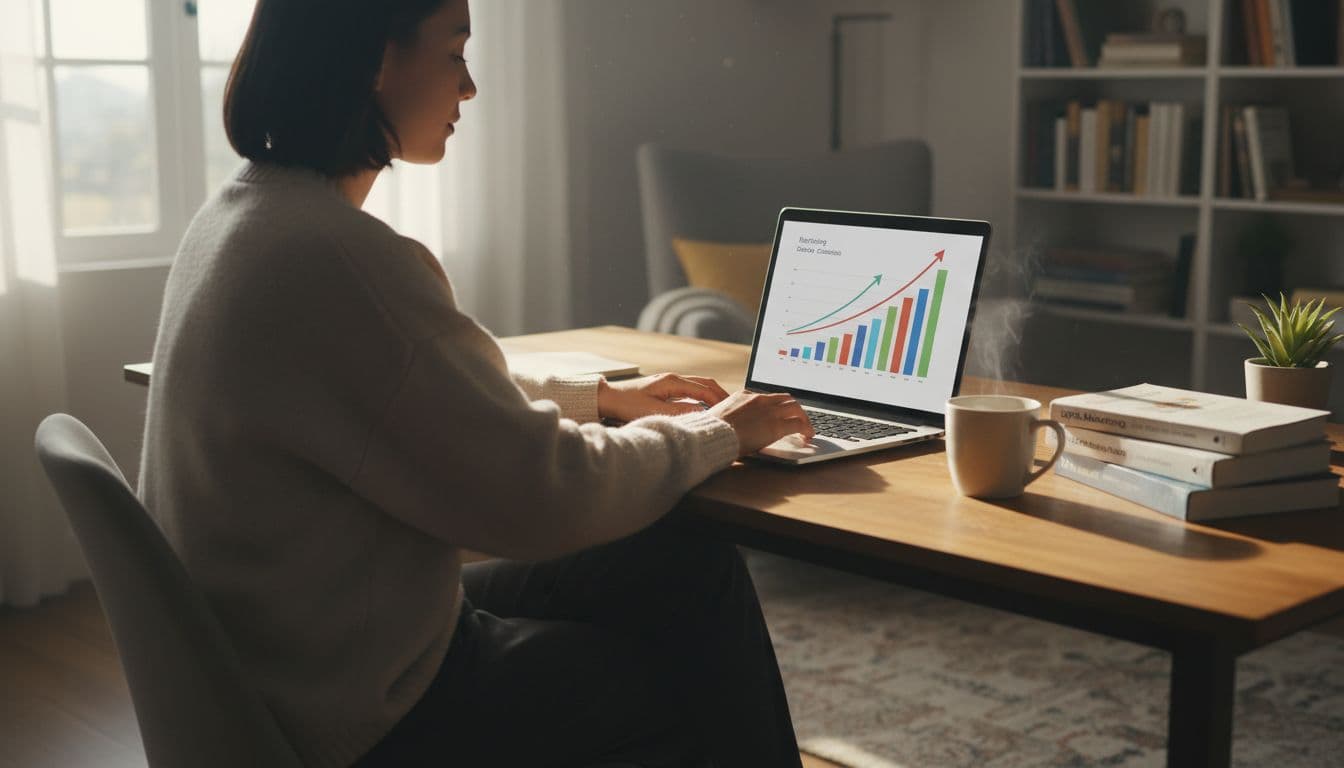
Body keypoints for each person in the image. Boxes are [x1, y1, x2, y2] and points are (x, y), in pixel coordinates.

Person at [137, 1, 814, 765]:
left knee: (672, 560)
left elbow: (416, 389)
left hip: (299, 655)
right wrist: (718, 433)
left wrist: (598, 399)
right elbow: (546, 495)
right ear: (376, 63)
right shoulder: (338, 259)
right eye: (455, 53)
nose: (470, 87)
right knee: (679, 662)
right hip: (364, 711)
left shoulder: (248, 217)